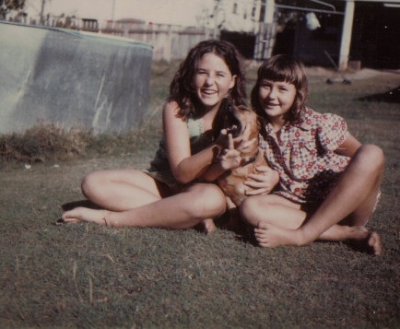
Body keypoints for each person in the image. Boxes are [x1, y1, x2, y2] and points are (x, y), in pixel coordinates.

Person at [61, 39, 249, 233]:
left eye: (220, 75)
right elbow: (181, 173)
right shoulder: (176, 107)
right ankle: (179, 214)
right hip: (162, 183)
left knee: (210, 200)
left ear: (232, 81)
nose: (210, 82)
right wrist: (216, 147)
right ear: (192, 76)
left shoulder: (238, 118)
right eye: (202, 72)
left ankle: (111, 218)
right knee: (93, 183)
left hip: (201, 190)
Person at [239, 54, 384, 254]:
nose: (272, 95)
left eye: (282, 89)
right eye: (266, 85)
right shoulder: (257, 128)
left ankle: (302, 236)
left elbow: (367, 163)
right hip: (298, 206)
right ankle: (348, 234)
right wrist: (274, 176)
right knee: (250, 207)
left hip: (342, 204)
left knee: (371, 152)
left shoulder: (318, 124)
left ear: (298, 93)